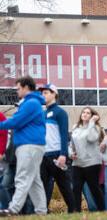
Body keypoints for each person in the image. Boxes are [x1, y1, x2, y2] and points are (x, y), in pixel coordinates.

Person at [0, 76, 47, 216]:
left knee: (22, 177)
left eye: (18, 88)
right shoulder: (30, 103)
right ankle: (41, 211)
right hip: (31, 145)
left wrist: (1, 124)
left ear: (26, 87)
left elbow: (16, 121)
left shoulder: (30, 103)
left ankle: (13, 209)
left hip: (29, 145)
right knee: (34, 181)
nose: (17, 91)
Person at [39, 84, 75, 213]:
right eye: (42, 93)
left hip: (56, 155)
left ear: (54, 94)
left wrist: (63, 154)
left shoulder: (60, 112)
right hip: (43, 156)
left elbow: (64, 134)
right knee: (42, 186)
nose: (43, 95)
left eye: (46, 92)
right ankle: (42, 211)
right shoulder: (42, 113)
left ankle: (73, 211)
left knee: (64, 186)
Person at [69, 107, 105, 212]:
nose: (85, 114)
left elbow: (90, 138)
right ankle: (76, 212)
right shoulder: (75, 127)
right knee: (76, 188)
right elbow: (72, 144)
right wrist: (71, 153)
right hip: (77, 163)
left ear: (92, 116)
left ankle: (103, 210)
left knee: (94, 188)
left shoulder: (96, 127)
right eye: (83, 112)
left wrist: (92, 122)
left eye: (88, 113)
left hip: (92, 163)